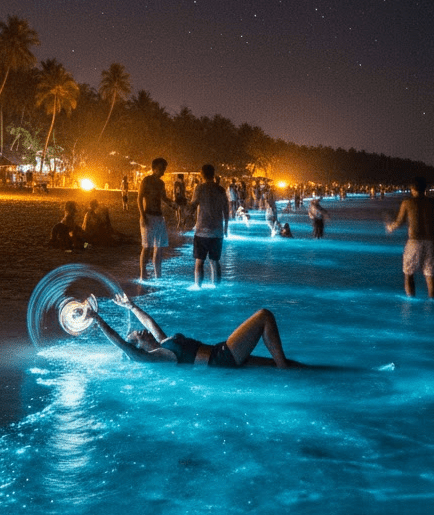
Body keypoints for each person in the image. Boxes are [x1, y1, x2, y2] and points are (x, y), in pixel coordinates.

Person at [87, 294, 302, 368]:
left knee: (283, 364)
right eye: (138, 335)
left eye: (140, 331)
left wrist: (132, 307)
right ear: (139, 347)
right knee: (264, 315)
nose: (142, 332)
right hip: (222, 357)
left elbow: (150, 323)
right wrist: (97, 318)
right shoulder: (157, 356)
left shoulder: (163, 343)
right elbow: (120, 343)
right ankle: (284, 373)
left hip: (222, 354)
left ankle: (292, 372)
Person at [386, 176, 434, 298]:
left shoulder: (407, 203)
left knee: (408, 274)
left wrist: (390, 227)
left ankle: (410, 303)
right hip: (431, 241)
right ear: (425, 188)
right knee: (430, 276)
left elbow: (399, 222)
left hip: (414, 241)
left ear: (412, 189)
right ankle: (433, 305)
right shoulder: (433, 203)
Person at [188, 163, 229, 286]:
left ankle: (198, 286)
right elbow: (226, 210)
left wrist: (185, 213)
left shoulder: (199, 188)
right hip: (217, 231)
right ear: (213, 174)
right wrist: (226, 228)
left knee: (199, 261)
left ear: (202, 174)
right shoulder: (221, 189)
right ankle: (217, 287)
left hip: (202, 230)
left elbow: (193, 206)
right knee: (215, 262)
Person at [137, 156, 174, 279]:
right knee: (147, 247)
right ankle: (143, 275)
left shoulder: (161, 183)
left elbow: (164, 198)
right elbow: (139, 198)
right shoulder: (146, 180)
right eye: (161, 168)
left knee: (159, 247)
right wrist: (142, 216)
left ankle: (158, 275)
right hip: (148, 215)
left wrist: (173, 204)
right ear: (154, 168)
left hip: (159, 217)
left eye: (164, 169)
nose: (163, 171)